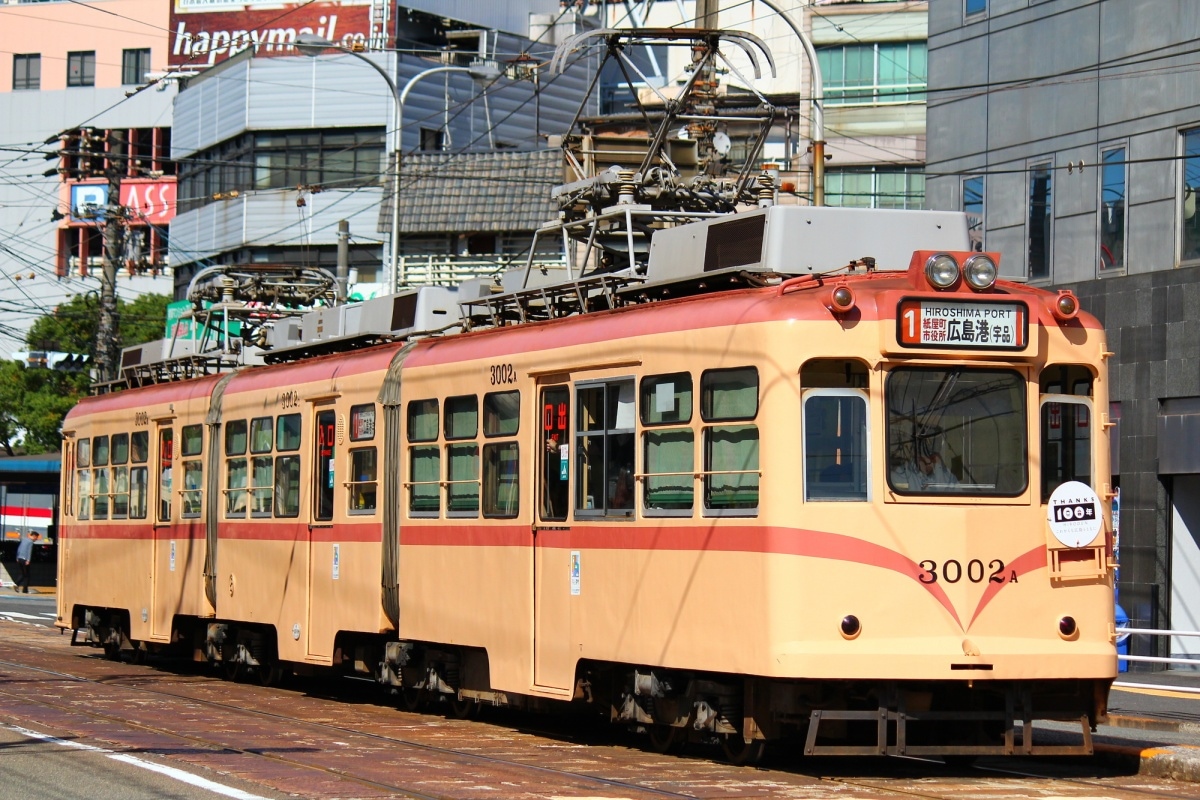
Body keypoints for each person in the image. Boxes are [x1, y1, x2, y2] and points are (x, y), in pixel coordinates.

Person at [891, 450, 959, 492]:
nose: (930, 465)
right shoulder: (901, 474)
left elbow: (957, 491)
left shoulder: (945, 473)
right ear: (917, 457)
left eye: (933, 460)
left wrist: (939, 468)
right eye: (924, 461)